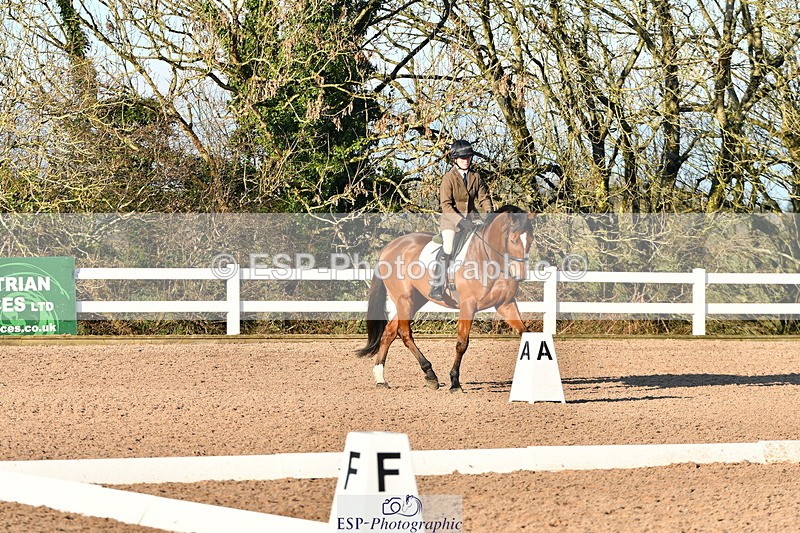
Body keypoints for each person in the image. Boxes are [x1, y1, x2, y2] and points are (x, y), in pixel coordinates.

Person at [429, 139, 494, 300]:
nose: (466, 160)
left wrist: (489, 212)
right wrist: (460, 221)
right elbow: (446, 205)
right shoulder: (448, 178)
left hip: (473, 220)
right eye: (462, 158)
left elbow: (484, 197)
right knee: (449, 247)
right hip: (452, 222)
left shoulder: (476, 176)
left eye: (468, 157)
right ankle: (437, 285)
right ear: (455, 159)